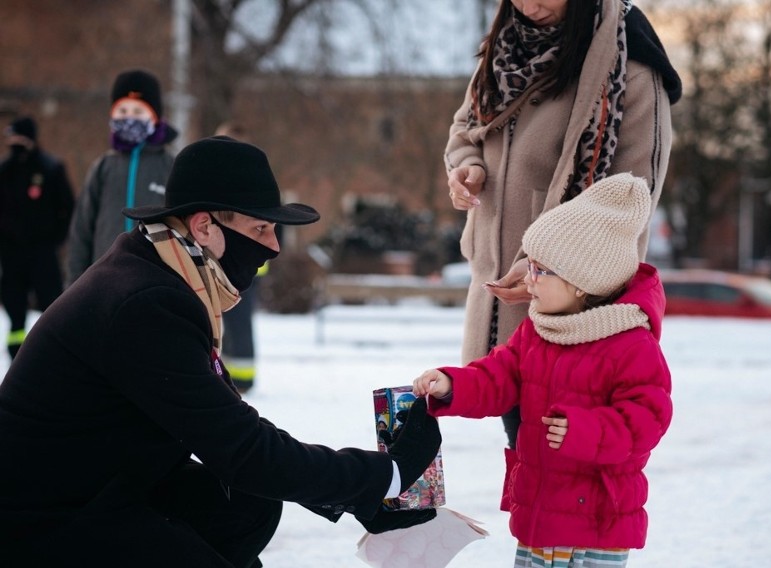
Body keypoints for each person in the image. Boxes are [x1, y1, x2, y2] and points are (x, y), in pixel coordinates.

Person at [0, 136, 441, 568]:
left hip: (97, 486)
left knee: (248, 503)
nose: (273, 247)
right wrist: (387, 475)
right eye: (260, 228)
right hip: (43, 522)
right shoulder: (146, 304)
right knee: (244, 491)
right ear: (205, 226)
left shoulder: (161, 273)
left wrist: (358, 498)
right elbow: (243, 451)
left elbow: (234, 429)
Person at [444, 0, 681, 462]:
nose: (530, 5)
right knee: (529, 463)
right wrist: (467, 166)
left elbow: (630, 198)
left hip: (575, 319)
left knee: (565, 474)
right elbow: (464, 130)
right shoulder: (503, 51)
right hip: (497, 304)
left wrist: (541, 265)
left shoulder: (630, 66)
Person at [414, 173, 673, 568]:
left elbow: (648, 419)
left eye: (540, 270)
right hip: (540, 517)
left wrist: (584, 430)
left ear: (583, 280)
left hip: (597, 525)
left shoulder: (631, 344)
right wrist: (451, 384)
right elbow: (498, 376)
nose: (528, 280)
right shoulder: (538, 329)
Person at [65, 68, 177, 286]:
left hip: (156, 281)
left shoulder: (171, 165)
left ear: (154, 116)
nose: (129, 118)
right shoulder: (104, 167)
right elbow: (82, 232)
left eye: (138, 111)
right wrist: (74, 285)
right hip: (104, 281)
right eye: (123, 111)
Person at [0, 116, 75, 359]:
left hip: (42, 251)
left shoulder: (50, 168)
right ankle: (15, 353)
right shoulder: (4, 171)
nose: (15, 143)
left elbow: (68, 207)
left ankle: (53, 352)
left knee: (51, 305)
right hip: (11, 253)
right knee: (14, 308)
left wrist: (56, 238)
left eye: (19, 137)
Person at [215, 121, 262, 393]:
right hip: (222, 263)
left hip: (244, 267)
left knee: (238, 323)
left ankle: (243, 377)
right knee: (224, 325)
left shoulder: (247, 178)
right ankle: (227, 373)